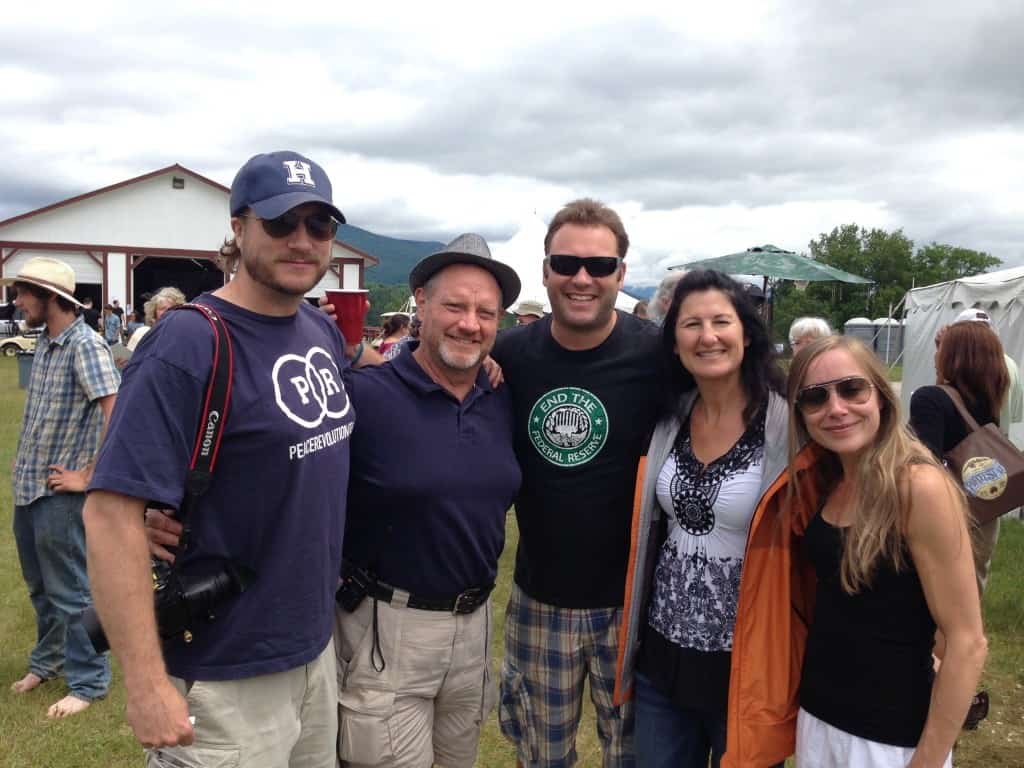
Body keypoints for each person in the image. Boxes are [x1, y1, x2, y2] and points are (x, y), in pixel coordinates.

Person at [84, 150, 359, 767]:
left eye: (320, 226)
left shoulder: (315, 330)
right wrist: (147, 684)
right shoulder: (187, 340)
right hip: (225, 672)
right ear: (239, 227)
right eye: (282, 222)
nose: (302, 241)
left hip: (313, 652)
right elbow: (109, 513)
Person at [336, 234, 522, 768]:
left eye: (486, 312)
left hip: (475, 630)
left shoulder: (501, 396)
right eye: (455, 306)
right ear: (420, 303)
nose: (471, 323)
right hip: (388, 631)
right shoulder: (367, 396)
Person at [492, 198, 664, 767]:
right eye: (565, 264)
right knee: (541, 757)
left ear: (621, 272)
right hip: (542, 597)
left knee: (635, 757)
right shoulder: (508, 355)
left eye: (598, 265)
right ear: (545, 272)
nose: (581, 278)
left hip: (638, 603)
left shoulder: (660, 354)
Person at [615, 270, 787, 768]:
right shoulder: (668, 420)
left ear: (747, 333)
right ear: (673, 343)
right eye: (691, 324)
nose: (707, 336)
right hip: (662, 664)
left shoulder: (786, 427)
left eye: (720, 321)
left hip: (746, 670)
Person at [789, 336, 986, 767]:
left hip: (888, 740)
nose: (836, 408)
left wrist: (929, 760)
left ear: (881, 395)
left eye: (852, 389)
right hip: (819, 721)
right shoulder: (829, 480)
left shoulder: (918, 486)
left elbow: (967, 642)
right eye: (815, 397)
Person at [3, 257, 120, 718]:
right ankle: (47, 663)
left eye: (24, 293)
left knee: (72, 591)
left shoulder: (86, 345)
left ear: (53, 298)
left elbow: (119, 413)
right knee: (39, 587)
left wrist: (89, 476)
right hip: (29, 487)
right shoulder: (48, 344)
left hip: (61, 496)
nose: (17, 302)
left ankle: (89, 682)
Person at [910, 320, 1009, 594]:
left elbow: (924, 463)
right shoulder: (989, 398)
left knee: (935, 592)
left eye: (941, 349)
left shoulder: (929, 399)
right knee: (971, 586)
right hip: (985, 507)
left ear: (953, 356)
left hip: (944, 509)